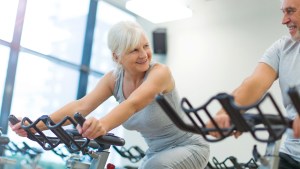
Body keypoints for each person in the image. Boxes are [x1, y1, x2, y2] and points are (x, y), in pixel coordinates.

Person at [10, 21, 210, 169]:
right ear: (117, 56)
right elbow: (80, 106)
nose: (143, 55)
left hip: (188, 146)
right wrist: (36, 126)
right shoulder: (113, 80)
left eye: (145, 46)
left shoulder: (160, 73)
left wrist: (102, 125)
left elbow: (133, 104)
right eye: (134, 50)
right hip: (155, 152)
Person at [207, 0, 300, 168]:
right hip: (292, 153)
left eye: (290, 11)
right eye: (283, 12)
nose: (284, 20)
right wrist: (226, 114)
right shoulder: (283, 47)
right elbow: (253, 85)